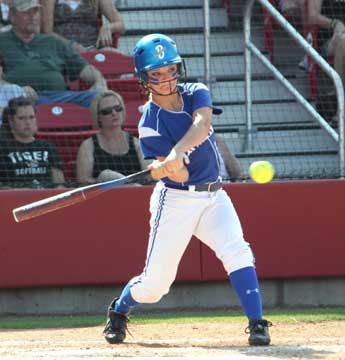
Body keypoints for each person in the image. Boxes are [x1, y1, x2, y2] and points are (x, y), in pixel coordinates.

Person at [102, 34, 272, 347]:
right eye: (157, 74)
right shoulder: (149, 123)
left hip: (214, 195)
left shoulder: (196, 92)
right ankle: (119, 309)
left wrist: (176, 152)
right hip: (176, 200)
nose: (166, 79)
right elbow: (178, 173)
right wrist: (168, 166)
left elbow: (202, 125)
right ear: (145, 78)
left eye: (170, 70)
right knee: (155, 286)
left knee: (237, 250)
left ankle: (257, 323)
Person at [0, 0, 107, 109]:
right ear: (12, 16)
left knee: (100, 98)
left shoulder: (52, 41)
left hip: (61, 97)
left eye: (35, 12)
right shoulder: (2, 42)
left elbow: (84, 68)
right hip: (23, 102)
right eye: (27, 13)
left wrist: (99, 80)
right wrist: (17, 90)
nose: (33, 17)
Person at [76, 90, 146, 184]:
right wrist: (105, 181)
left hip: (135, 195)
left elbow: (149, 177)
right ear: (98, 117)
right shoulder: (88, 146)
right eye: (107, 111)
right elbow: (83, 181)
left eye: (117, 108)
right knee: (106, 175)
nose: (114, 113)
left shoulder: (137, 143)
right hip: (104, 196)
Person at [0, 96, 65, 188]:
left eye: (31, 117)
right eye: (21, 118)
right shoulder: (3, 149)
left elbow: (60, 184)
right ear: (11, 121)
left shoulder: (47, 147)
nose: (28, 122)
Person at [308, 0, 345, 124]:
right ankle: (340, 105)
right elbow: (312, 16)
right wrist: (334, 23)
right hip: (330, 40)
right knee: (343, 41)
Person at [40, 0, 125, 54]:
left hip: (93, 49)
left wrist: (108, 27)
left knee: (116, 58)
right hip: (62, 51)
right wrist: (72, 45)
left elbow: (121, 25)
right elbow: (47, 32)